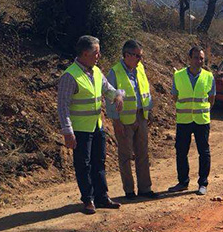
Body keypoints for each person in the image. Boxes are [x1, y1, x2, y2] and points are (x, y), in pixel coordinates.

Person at [57, 35, 125, 215]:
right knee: (83, 165)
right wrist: (67, 132)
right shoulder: (70, 76)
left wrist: (118, 95)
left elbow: (108, 90)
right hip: (79, 129)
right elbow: (62, 106)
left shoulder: (96, 71)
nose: (99, 56)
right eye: (96, 52)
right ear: (85, 53)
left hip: (96, 126)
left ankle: (102, 197)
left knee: (99, 162)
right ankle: (88, 199)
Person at [105, 40, 158, 200]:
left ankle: (145, 188)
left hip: (141, 116)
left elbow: (145, 91)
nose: (140, 59)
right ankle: (129, 190)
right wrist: (116, 121)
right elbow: (110, 99)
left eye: (140, 56)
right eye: (137, 56)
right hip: (124, 120)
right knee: (126, 155)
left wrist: (149, 112)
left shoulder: (140, 69)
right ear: (127, 55)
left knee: (143, 154)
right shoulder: (115, 72)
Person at [168, 46, 215, 196]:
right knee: (181, 152)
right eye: (196, 57)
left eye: (201, 58)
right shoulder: (179, 75)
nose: (199, 61)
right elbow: (175, 96)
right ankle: (183, 182)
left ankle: (203, 183)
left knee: (204, 152)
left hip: (201, 120)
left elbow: (211, 99)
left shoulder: (209, 76)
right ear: (189, 59)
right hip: (184, 120)